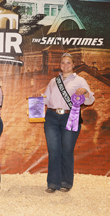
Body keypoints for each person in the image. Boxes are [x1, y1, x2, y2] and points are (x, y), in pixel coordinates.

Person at [43, 53, 95, 193]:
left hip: (69, 117)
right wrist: (37, 98)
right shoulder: (53, 81)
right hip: (52, 118)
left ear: (73, 65)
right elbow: (46, 100)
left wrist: (85, 92)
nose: (65, 66)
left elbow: (90, 100)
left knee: (66, 151)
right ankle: (53, 183)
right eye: (63, 63)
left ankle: (66, 183)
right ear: (60, 65)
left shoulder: (80, 80)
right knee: (53, 151)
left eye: (68, 63)